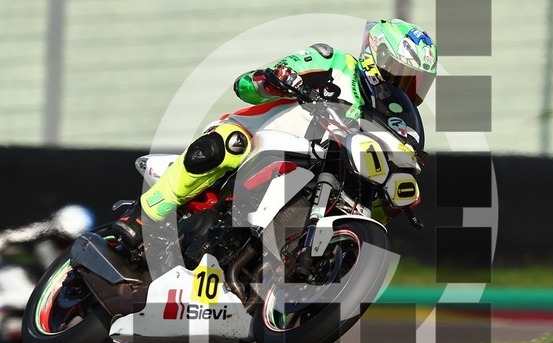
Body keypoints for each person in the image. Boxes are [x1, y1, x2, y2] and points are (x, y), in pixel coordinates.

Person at [113, 18, 438, 250]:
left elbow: (393, 181)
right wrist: (273, 81)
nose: (407, 87)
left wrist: (394, 198)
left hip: (326, 173)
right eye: (403, 74)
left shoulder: (401, 122)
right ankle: (143, 217)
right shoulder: (334, 62)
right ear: (377, 57)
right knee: (229, 144)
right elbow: (245, 85)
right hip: (263, 139)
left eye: (417, 82)